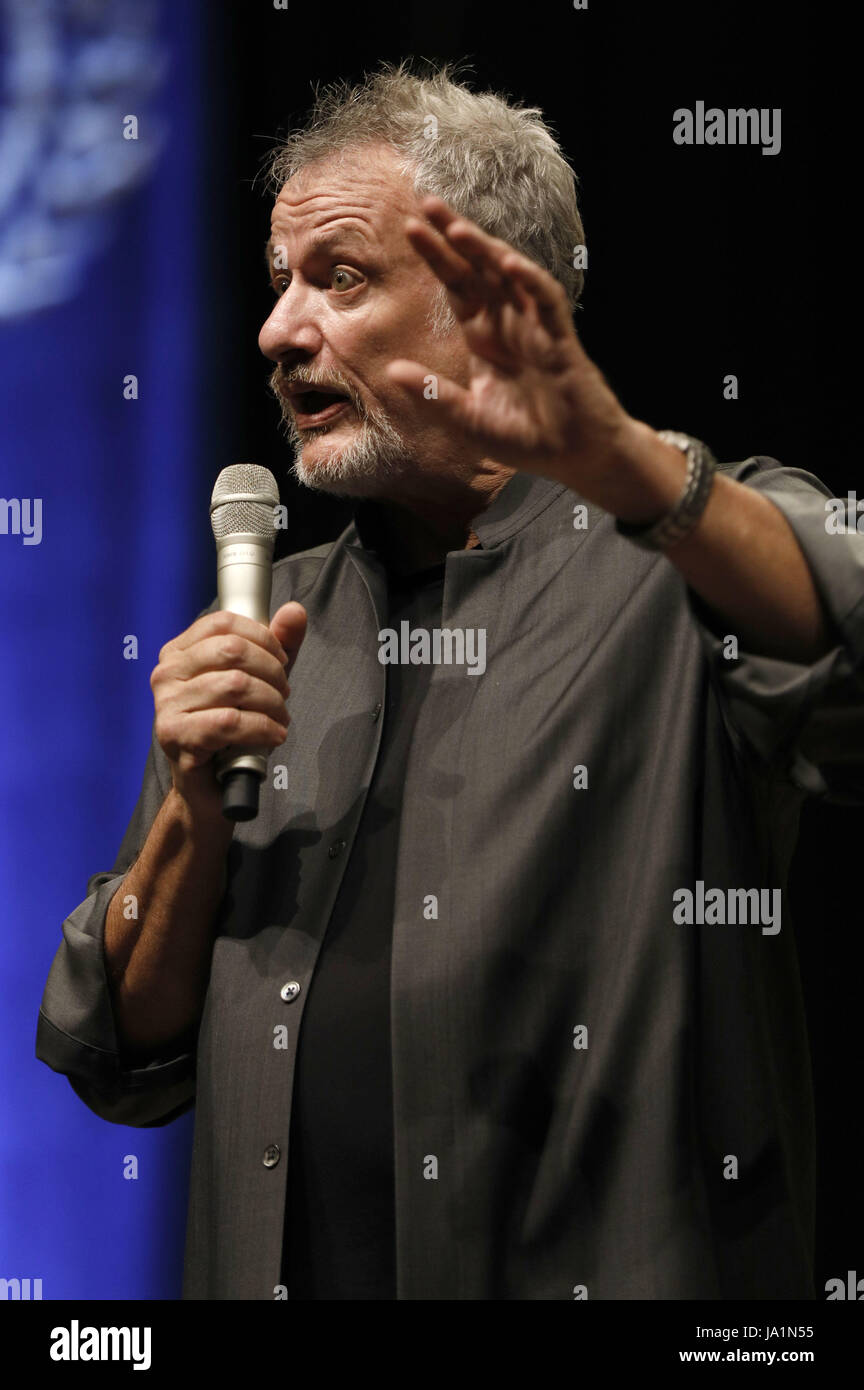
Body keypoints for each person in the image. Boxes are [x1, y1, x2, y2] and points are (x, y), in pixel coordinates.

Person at [36, 60, 864, 1301]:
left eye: (340, 279)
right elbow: (125, 1048)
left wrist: (629, 464)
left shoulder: (676, 570)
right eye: (278, 287)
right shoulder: (263, 622)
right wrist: (193, 817)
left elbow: (844, 626)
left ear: (493, 302)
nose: (277, 332)